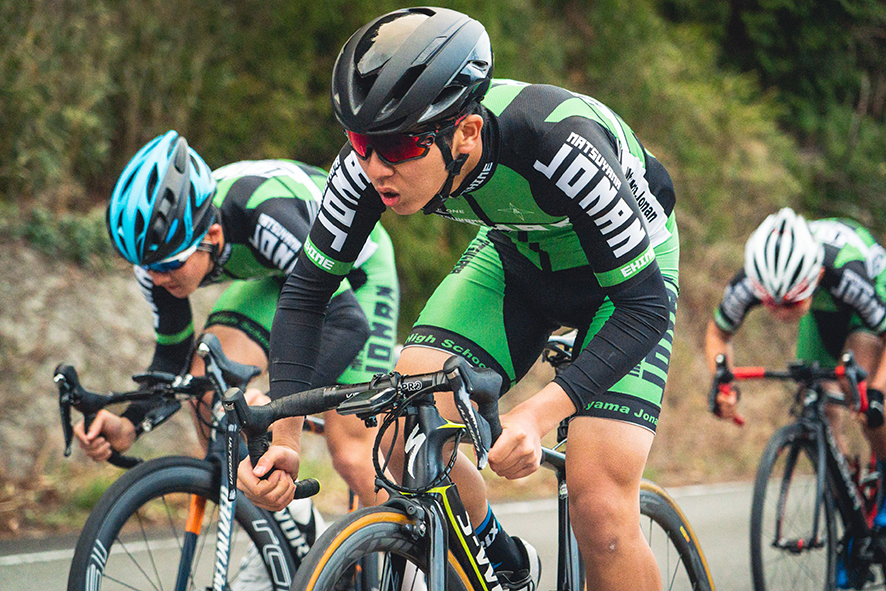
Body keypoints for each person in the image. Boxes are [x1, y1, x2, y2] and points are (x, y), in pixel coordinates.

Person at [238, 8, 680, 591]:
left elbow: (642, 307)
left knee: (599, 508)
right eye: (360, 142)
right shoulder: (366, 170)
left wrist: (538, 412)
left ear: (466, 132)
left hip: (624, 288)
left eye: (398, 147)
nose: (374, 167)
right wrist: (287, 436)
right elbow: (306, 294)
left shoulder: (557, 142)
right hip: (517, 257)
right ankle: (498, 560)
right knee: (398, 436)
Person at [73, 131, 400, 526]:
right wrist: (130, 421)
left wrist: (282, 405)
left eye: (167, 267)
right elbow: (173, 353)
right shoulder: (160, 262)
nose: (157, 280)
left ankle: (410, 556)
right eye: (147, 269)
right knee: (207, 383)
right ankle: (290, 527)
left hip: (358, 276)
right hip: (281, 273)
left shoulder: (265, 215)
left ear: (211, 236)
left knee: (350, 451)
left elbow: (347, 324)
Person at [704, 207, 886, 588]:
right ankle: (850, 512)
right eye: (771, 304)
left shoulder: (843, 275)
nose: (779, 312)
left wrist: (878, 394)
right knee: (817, 399)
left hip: (867, 316)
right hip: (821, 319)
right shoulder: (756, 279)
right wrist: (723, 382)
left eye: (790, 304)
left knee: (866, 396)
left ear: (815, 277)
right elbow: (719, 335)